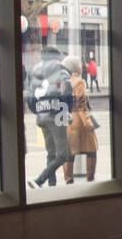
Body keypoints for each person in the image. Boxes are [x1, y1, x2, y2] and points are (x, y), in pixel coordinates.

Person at [26, 46, 72, 187]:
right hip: (56, 115)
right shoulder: (61, 70)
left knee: (51, 153)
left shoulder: (34, 71)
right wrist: (66, 110)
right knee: (63, 154)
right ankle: (40, 180)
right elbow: (67, 93)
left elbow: (30, 97)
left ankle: (52, 184)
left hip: (42, 115)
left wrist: (38, 110)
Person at [61, 54, 98, 183]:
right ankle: (90, 178)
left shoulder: (64, 82)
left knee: (70, 152)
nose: (82, 66)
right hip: (80, 121)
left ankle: (68, 179)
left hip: (69, 121)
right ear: (76, 67)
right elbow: (81, 105)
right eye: (79, 64)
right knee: (92, 149)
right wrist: (88, 123)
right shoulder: (79, 82)